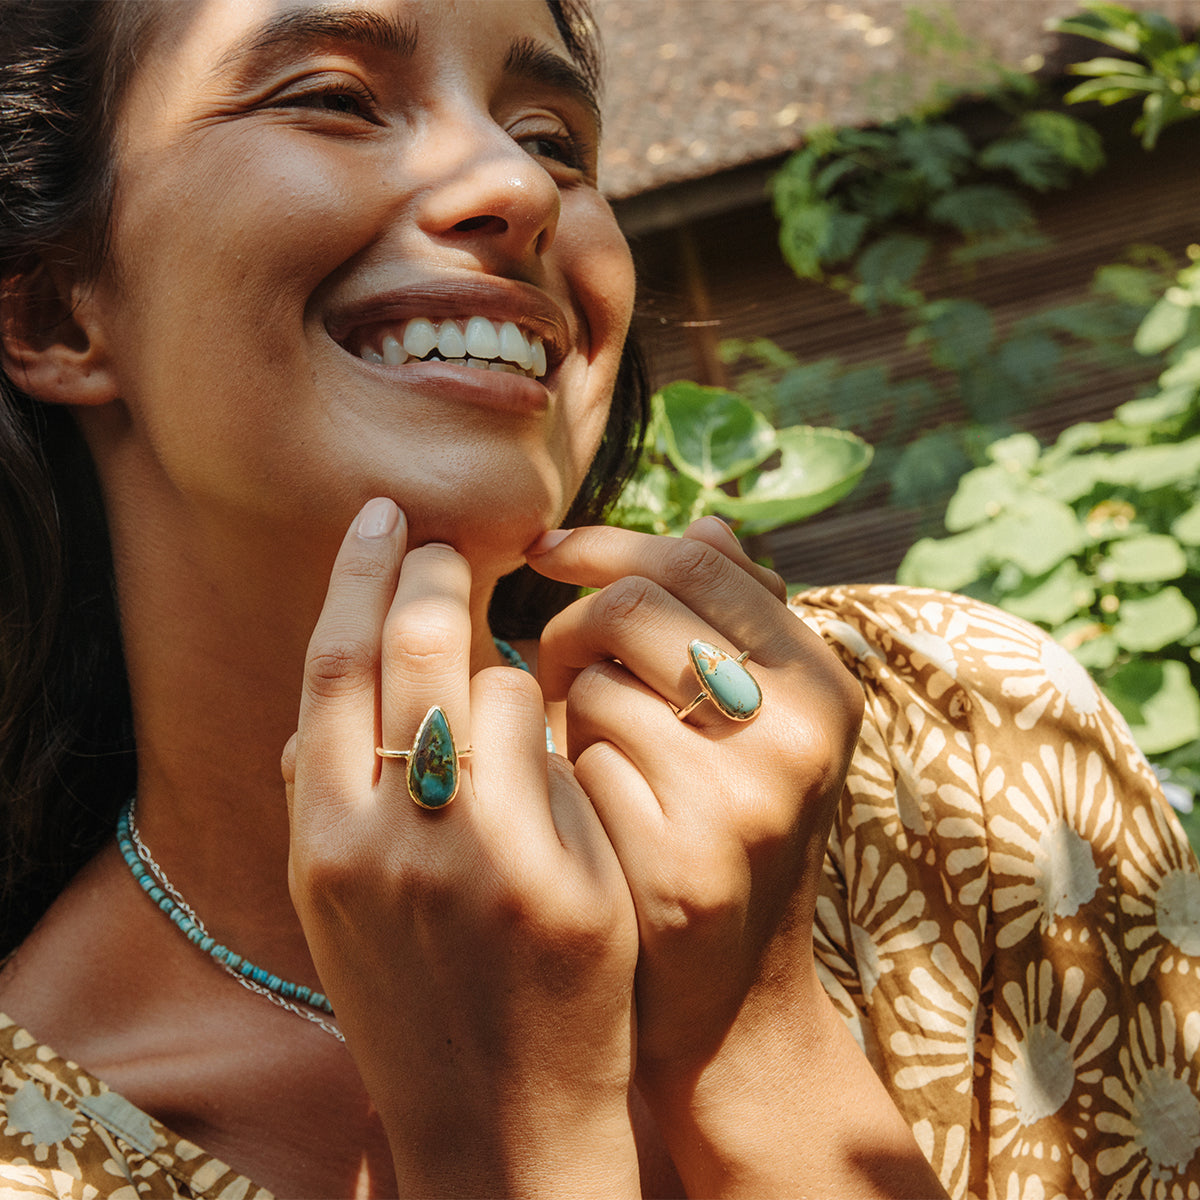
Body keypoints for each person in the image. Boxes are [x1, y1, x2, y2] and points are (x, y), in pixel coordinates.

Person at [0, 2, 1195, 1198]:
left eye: (553, 141)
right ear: (56, 311)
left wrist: (756, 1039)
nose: (518, 184)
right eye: (334, 99)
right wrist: (515, 1141)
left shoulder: (963, 751)